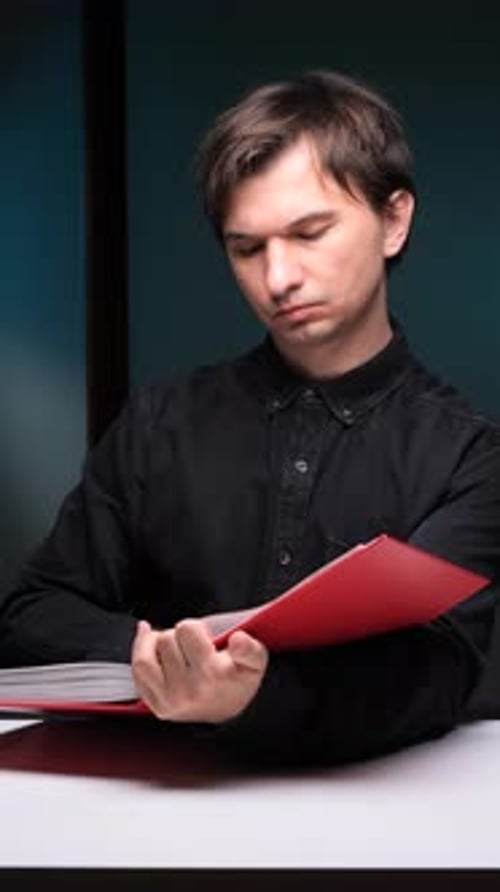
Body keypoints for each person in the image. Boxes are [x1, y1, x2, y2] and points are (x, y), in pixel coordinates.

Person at [1, 70, 499, 765]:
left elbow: (436, 670)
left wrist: (251, 695)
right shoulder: (157, 422)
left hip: (383, 835)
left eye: (309, 232)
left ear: (393, 221)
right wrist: (152, 655)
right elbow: (32, 612)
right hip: (155, 822)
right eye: (248, 248)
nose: (279, 278)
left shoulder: (469, 454)